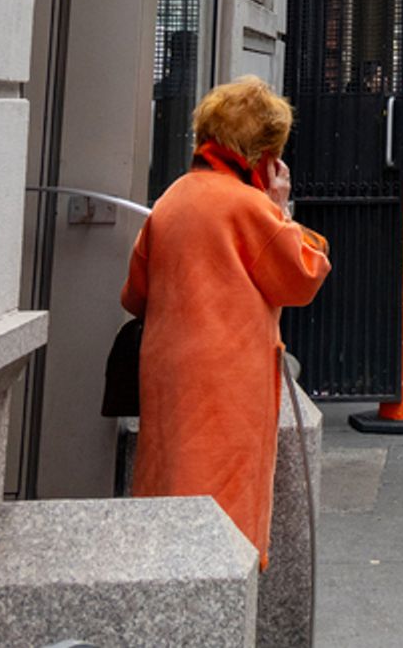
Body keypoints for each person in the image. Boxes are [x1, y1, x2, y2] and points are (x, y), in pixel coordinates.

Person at [119, 76, 329, 566]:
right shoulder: (247, 205)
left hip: (168, 372)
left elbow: (134, 294)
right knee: (224, 503)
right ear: (262, 152)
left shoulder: (172, 198)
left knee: (171, 483)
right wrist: (281, 209)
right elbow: (302, 275)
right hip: (227, 379)